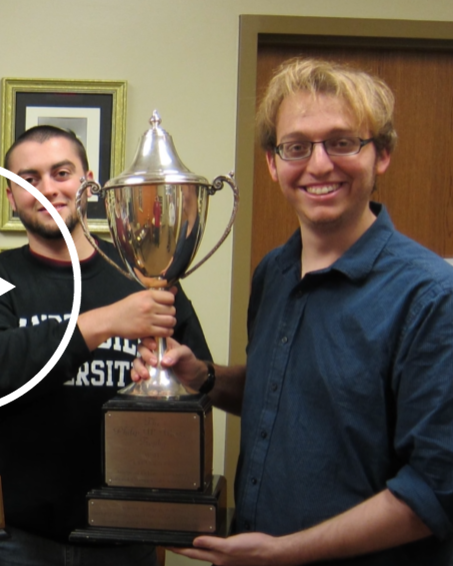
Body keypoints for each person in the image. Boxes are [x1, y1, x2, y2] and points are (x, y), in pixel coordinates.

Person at [134, 58, 453, 565]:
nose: (319, 165)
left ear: (382, 155)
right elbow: (281, 393)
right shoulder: (274, 273)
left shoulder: (432, 296)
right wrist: (204, 377)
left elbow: (434, 492)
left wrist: (284, 554)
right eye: (297, 147)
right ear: (272, 162)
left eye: (343, 142)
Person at [0, 125, 212, 566]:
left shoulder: (142, 273)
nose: (48, 189)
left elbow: (200, 380)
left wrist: (185, 370)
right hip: (14, 539)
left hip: (125, 538)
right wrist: (107, 321)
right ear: (10, 197)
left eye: (61, 173)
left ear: (88, 183)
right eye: (28, 179)